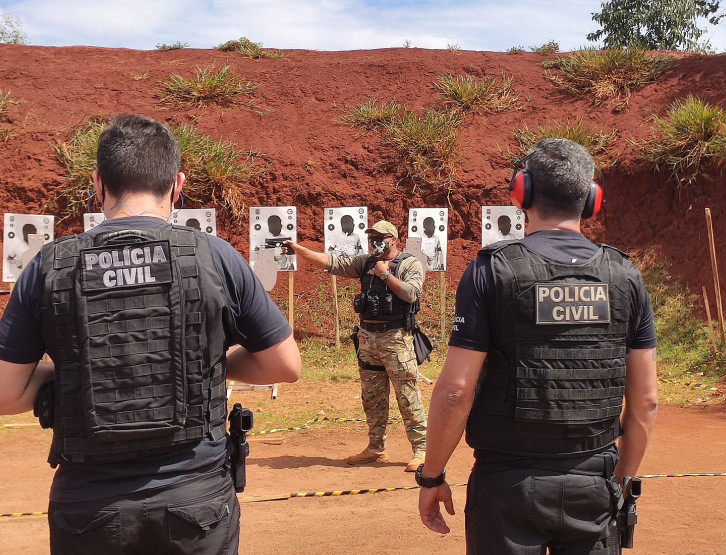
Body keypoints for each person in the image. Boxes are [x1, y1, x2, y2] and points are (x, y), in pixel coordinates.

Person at [0, 114, 302, 554]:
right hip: (194, 502)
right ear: (177, 185)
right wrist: (208, 366)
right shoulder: (214, 257)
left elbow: (6, 394)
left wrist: (75, 372)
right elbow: (285, 365)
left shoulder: (49, 266)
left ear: (98, 183)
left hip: (89, 505)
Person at [418, 138, 659, 553]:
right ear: (590, 199)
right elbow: (647, 400)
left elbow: (456, 392)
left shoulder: (492, 271)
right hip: (595, 480)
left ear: (521, 192)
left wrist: (433, 475)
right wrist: (621, 480)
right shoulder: (625, 276)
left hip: (508, 485)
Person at [285, 220, 428, 472]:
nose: (374, 240)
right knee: (372, 398)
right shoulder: (365, 262)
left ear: (393, 239)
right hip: (368, 338)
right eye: (371, 235)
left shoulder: (409, 264)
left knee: (407, 395)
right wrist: (299, 250)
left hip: (396, 339)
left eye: (380, 236)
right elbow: (330, 261)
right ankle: (376, 448)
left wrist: (385, 275)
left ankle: (421, 449)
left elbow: (411, 293)